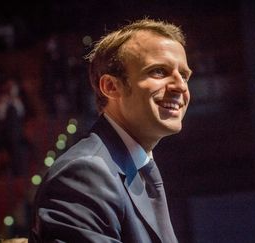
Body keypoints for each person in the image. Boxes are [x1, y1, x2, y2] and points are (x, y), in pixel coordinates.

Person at [29, 18, 192, 243]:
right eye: (159, 71)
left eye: (184, 75)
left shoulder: (134, 168)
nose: (181, 86)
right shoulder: (85, 174)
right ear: (111, 87)